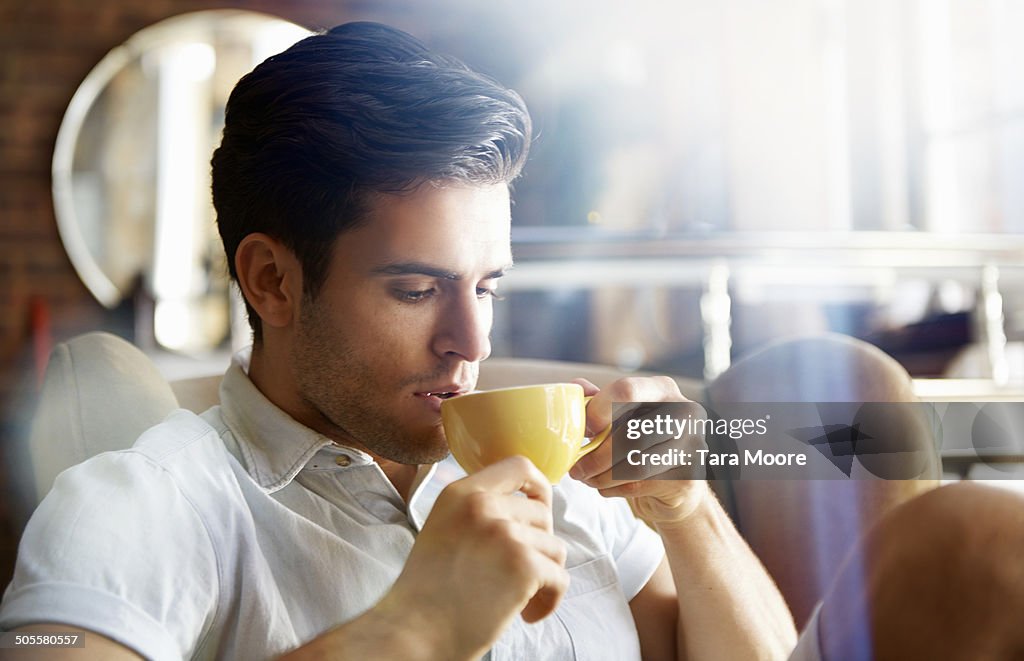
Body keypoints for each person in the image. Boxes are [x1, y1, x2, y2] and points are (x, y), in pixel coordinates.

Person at [2, 21, 1022, 661]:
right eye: (415, 289)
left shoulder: (565, 480)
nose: (471, 339)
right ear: (272, 278)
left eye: (487, 285)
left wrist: (689, 516)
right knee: (974, 544)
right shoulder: (146, 503)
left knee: (944, 501)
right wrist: (415, 625)